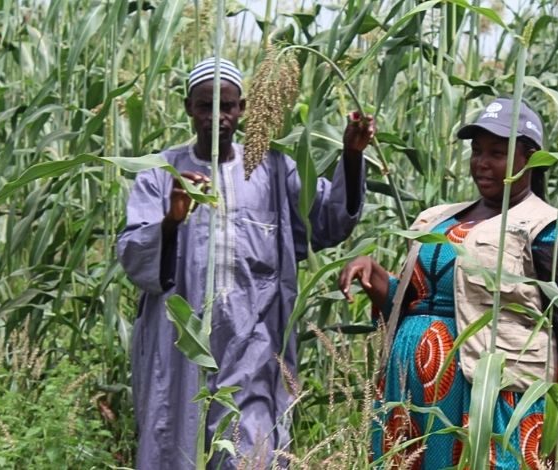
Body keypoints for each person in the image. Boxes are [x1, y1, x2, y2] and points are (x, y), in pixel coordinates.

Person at [117, 57, 374, 469]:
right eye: (205, 106)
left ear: (243, 108)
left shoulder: (273, 169)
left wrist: (351, 154)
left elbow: (327, 220)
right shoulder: (160, 174)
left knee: (253, 449)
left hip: (255, 343)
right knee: (176, 443)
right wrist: (172, 219)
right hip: (180, 341)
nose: (216, 117)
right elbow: (134, 256)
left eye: (227, 106)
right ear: (188, 108)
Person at [338, 97, 558, 469]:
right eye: (477, 151)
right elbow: (412, 301)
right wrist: (375, 275)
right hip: (409, 396)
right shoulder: (436, 219)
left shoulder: (551, 228)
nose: (482, 162)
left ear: (532, 158)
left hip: (488, 396)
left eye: (497, 152)